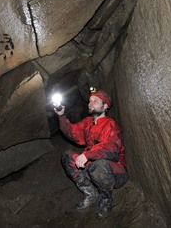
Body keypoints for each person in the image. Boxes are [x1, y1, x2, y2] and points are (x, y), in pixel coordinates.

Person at [54, 88, 128, 219]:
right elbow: (72, 132)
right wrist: (61, 115)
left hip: (115, 172)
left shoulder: (111, 124)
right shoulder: (88, 122)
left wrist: (88, 155)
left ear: (105, 106)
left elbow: (111, 148)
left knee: (98, 165)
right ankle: (90, 193)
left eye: (95, 101)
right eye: (90, 101)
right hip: (94, 167)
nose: (90, 103)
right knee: (68, 156)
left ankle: (106, 199)